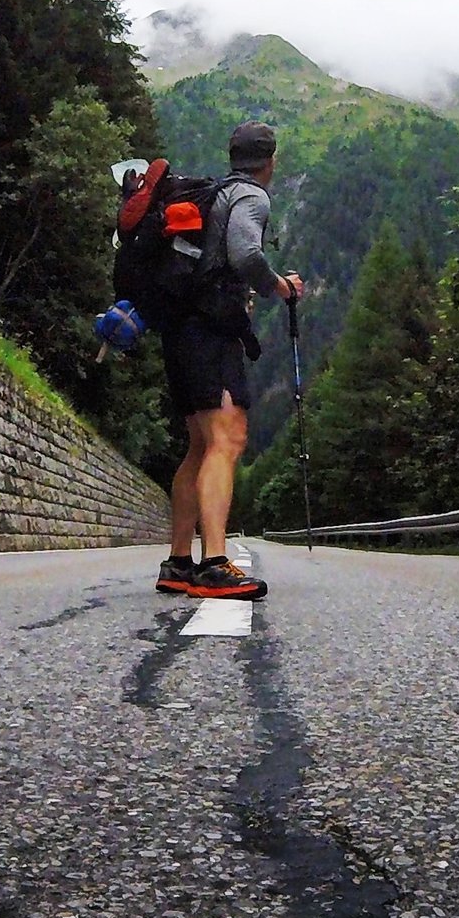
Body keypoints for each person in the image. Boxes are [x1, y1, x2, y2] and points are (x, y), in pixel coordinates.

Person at [156, 120, 301, 600]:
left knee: (199, 445)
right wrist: (279, 286)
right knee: (228, 437)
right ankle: (216, 563)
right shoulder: (251, 197)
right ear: (270, 161)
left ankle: (179, 562)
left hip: (179, 327)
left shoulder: (213, 195)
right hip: (212, 331)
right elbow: (245, 253)